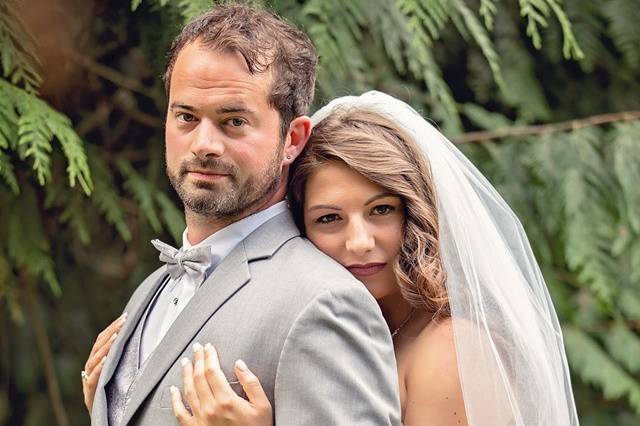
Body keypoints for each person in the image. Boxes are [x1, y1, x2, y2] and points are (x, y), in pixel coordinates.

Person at [167, 91, 580, 425]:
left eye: (381, 210)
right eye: (329, 219)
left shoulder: (448, 352)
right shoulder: (337, 332)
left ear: (413, 212)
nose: (360, 242)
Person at [81, 7, 401, 426]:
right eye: (186, 117)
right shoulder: (151, 291)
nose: (204, 144)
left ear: (293, 139)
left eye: (233, 121)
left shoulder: (325, 302)